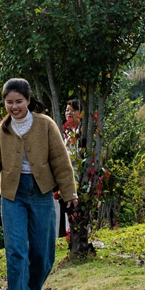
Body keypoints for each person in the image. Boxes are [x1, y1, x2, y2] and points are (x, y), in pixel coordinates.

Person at [0, 78, 78, 290]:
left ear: (28, 100)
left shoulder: (45, 125)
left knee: (43, 251)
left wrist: (69, 193)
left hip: (41, 193)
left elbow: (61, 161)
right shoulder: (1, 132)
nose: (14, 106)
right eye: (9, 102)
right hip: (12, 196)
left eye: (19, 101)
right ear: (4, 103)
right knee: (17, 249)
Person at [57, 98, 83, 240]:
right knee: (67, 204)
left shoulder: (81, 131)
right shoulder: (65, 132)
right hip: (66, 174)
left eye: (73, 110)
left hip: (78, 173)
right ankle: (69, 234)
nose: (69, 113)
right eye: (67, 110)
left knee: (76, 205)